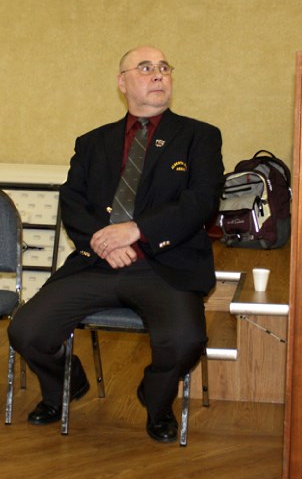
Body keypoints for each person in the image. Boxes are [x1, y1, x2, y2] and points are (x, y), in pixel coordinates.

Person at [8, 46, 224, 443]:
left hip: (165, 266)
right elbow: (73, 201)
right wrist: (104, 242)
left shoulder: (199, 137)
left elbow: (201, 201)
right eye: (145, 68)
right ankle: (65, 387)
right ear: (123, 82)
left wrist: (135, 230)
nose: (158, 74)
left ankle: (157, 401)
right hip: (97, 263)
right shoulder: (93, 142)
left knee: (184, 341)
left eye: (163, 68)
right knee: (27, 329)